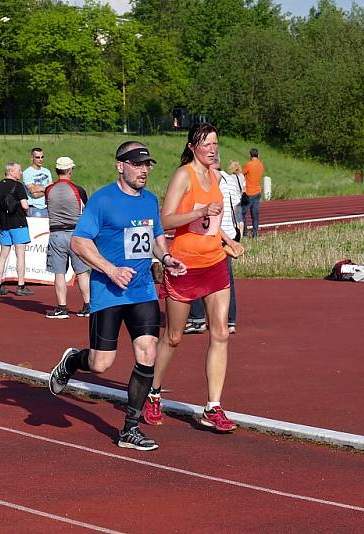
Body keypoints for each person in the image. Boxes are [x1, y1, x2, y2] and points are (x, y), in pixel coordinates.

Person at [48, 141, 186, 452]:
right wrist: (111, 270)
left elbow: (156, 239)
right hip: (109, 293)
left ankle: (130, 428)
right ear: (119, 166)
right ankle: (73, 360)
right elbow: (80, 243)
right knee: (101, 364)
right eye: (137, 164)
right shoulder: (102, 201)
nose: (144, 170)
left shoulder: (150, 201)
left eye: (147, 165)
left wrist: (166, 259)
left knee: (148, 352)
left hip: (141, 291)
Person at [143, 122, 238, 433]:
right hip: (184, 266)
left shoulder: (215, 175)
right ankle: (152, 393)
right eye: (207, 144)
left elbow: (213, 218)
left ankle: (213, 406)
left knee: (221, 333)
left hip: (214, 263)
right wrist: (198, 213)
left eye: (215, 143)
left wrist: (227, 240)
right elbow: (166, 219)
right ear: (192, 146)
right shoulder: (183, 175)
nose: (213, 149)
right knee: (173, 337)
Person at [185, 156, 242, 335]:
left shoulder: (210, 180)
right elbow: (236, 207)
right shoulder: (231, 180)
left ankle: (197, 318)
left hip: (211, 233)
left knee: (195, 275)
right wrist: (236, 230)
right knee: (225, 280)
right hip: (227, 231)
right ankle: (228, 320)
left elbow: (207, 212)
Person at [44, 156, 91, 319]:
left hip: (56, 234)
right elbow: (87, 210)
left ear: (57, 170)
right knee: (82, 272)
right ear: (70, 170)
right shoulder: (78, 189)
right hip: (76, 234)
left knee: (59, 273)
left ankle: (62, 307)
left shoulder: (49, 190)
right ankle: (87, 305)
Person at [0, 162, 34, 296]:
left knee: (3, 255)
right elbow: (25, 206)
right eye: (19, 170)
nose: (21, 172)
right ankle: (21, 286)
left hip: (4, 224)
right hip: (18, 223)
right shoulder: (18, 186)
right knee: (20, 254)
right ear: (11, 171)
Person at [22, 147, 53, 217]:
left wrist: (38, 188)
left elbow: (51, 189)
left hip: (47, 207)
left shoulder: (47, 171)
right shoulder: (27, 173)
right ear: (32, 158)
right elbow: (34, 194)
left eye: (42, 157)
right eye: (37, 157)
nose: (40, 159)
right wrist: (47, 189)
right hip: (34, 208)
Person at [241, 148, 263, 237]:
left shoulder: (248, 165)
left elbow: (241, 174)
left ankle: (245, 232)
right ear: (258, 155)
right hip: (258, 192)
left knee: (242, 213)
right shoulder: (261, 165)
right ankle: (255, 233)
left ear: (250, 155)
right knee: (255, 214)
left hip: (249, 193)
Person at [227, 160, 246, 238]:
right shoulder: (242, 176)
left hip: (233, 199)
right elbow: (244, 188)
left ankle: (235, 235)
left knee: (234, 219)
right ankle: (241, 235)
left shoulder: (230, 177)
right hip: (240, 198)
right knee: (240, 218)